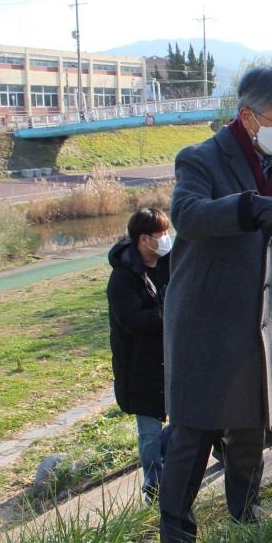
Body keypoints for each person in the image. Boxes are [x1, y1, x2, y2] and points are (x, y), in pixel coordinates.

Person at [158, 66, 272, 543]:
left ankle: (246, 521)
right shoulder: (201, 159)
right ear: (247, 116)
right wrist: (248, 207)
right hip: (204, 323)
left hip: (257, 323)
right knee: (193, 437)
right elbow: (187, 215)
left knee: (250, 430)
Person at [106, 207, 172, 504]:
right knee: (150, 434)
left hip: (170, 358)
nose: (166, 239)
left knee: (184, 420)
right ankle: (154, 488)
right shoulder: (123, 278)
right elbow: (130, 321)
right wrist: (171, 312)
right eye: (160, 235)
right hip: (139, 365)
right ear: (144, 239)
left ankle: (168, 467)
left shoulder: (168, 262)